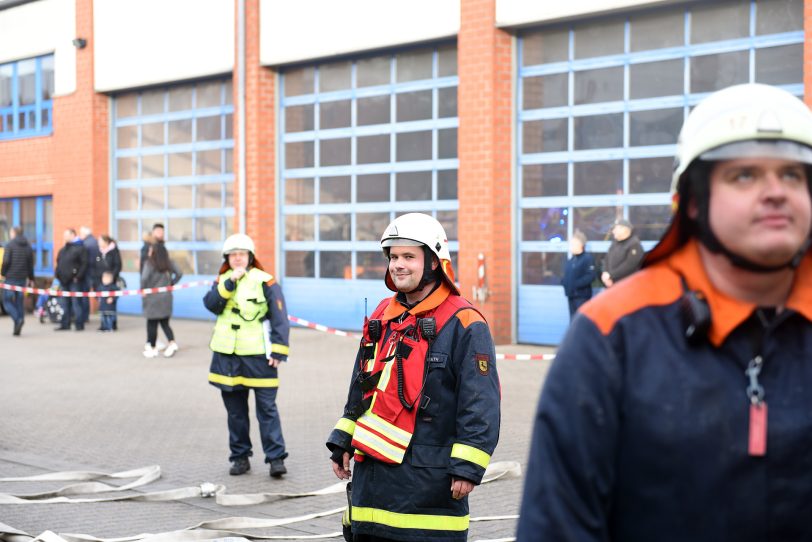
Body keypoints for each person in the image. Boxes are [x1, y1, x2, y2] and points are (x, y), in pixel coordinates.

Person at [516, 83, 812, 541]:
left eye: (793, 175)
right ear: (693, 201)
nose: (776, 192)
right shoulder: (612, 334)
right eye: (745, 175)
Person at [326, 213, 501, 542]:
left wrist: (468, 465)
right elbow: (362, 384)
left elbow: (480, 402)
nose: (398, 265)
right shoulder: (382, 314)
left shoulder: (464, 322)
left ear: (434, 263)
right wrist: (343, 439)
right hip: (372, 485)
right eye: (393, 257)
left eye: (408, 256)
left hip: (429, 483)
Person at [203, 233, 291, 478]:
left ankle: (276, 459)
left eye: (242, 254)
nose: (238, 258)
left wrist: (279, 350)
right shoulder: (222, 280)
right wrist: (230, 282)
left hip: (258, 357)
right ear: (227, 258)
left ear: (250, 257)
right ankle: (240, 458)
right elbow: (210, 304)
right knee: (236, 413)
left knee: (267, 410)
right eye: (233, 254)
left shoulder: (266, 281)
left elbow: (280, 317)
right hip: (226, 357)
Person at [141, 242, 182, 358]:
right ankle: (172, 343)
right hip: (166, 297)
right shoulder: (169, 263)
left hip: (152, 298)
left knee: (152, 323)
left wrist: (143, 290)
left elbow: (144, 278)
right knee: (165, 323)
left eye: (150, 250)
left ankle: (152, 348)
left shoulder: (149, 263)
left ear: (154, 252)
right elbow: (180, 273)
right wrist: (171, 283)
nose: (148, 252)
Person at [1, 226, 34, 336]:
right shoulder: (28, 246)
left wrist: (3, 273)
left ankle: (18, 319)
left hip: (10, 278)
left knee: (7, 301)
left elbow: (6, 261)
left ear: (14, 233)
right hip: (22, 279)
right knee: (19, 302)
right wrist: (31, 278)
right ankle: (17, 327)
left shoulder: (10, 245)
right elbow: (31, 264)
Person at [55, 228, 88, 331]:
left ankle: (79, 324)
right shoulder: (64, 249)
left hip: (74, 281)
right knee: (64, 303)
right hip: (63, 281)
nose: (64, 237)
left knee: (76, 303)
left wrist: (78, 277)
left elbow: (84, 264)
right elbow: (59, 262)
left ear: (73, 235)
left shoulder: (80, 248)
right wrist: (58, 274)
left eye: (67, 235)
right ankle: (65, 324)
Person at [560, 229, 595, 319]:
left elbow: (590, 276)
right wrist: (564, 282)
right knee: (573, 321)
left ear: (580, 245)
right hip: (571, 295)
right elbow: (567, 275)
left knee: (580, 321)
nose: (570, 247)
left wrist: (576, 285)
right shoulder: (572, 259)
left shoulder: (587, 258)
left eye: (573, 244)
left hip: (581, 297)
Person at [600, 218, 644, 288]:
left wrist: (611, 275)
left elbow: (629, 265)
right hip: (611, 283)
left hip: (627, 286)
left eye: (616, 229)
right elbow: (606, 258)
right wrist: (605, 274)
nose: (613, 231)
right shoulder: (615, 242)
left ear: (625, 229)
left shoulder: (634, 244)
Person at [79, 226, 101, 324]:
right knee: (99, 293)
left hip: (88, 272)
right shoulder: (95, 241)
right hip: (96, 272)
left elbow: (85, 261)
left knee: (84, 295)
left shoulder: (86, 244)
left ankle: (85, 317)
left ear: (84, 234)